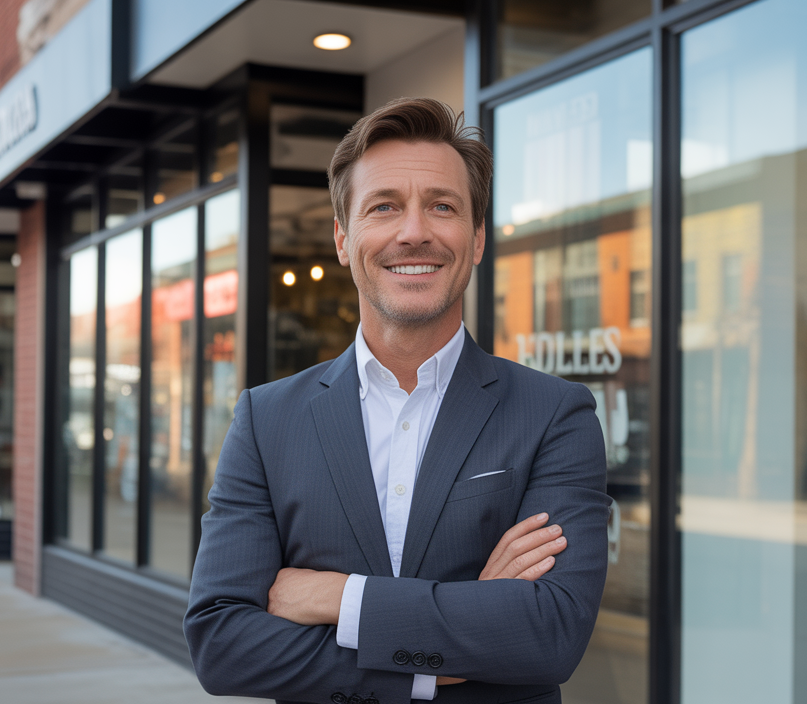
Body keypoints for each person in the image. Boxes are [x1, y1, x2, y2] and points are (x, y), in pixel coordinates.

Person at [183, 97, 611, 704]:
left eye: (443, 206)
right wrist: (441, 652)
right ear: (343, 238)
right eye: (384, 207)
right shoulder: (266, 419)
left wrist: (340, 598)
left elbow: (550, 634)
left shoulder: (554, 415)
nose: (415, 232)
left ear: (477, 238)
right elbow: (221, 644)